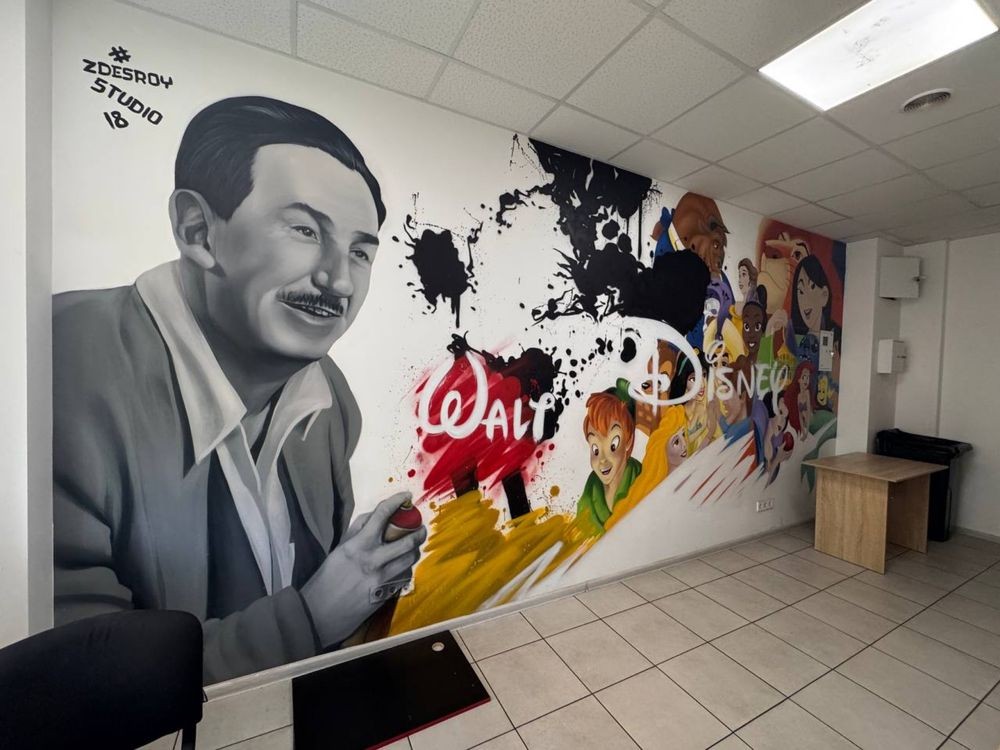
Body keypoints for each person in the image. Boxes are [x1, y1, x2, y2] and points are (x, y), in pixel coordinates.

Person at [52, 96, 427, 683]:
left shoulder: (330, 398)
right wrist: (311, 617)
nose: (337, 279)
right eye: (305, 230)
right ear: (198, 230)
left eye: (360, 251)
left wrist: (360, 571)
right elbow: (80, 684)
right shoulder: (59, 365)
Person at [575, 392, 642, 536]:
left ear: (628, 441)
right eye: (595, 450)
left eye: (613, 445)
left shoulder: (642, 478)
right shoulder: (590, 491)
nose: (602, 459)